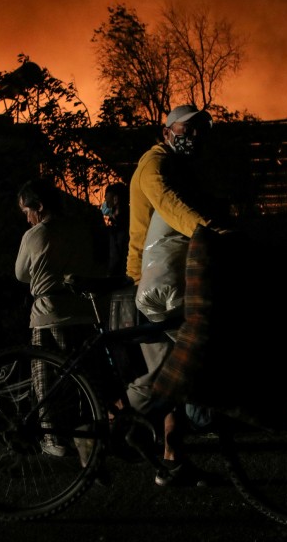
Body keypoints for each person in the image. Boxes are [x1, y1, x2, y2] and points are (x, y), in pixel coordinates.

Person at [126, 104, 221, 486]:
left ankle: (173, 461)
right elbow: (169, 205)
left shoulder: (179, 165)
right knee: (171, 372)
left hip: (163, 279)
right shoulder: (154, 164)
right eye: (188, 129)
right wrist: (209, 229)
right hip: (152, 283)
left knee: (170, 377)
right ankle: (109, 422)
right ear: (167, 131)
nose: (195, 136)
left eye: (201, 130)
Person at [14, 177, 100, 457]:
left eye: (27, 212)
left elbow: (21, 274)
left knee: (44, 379)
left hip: (49, 313)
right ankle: (83, 434)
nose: (28, 219)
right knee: (80, 380)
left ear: (38, 206)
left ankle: (54, 439)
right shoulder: (79, 229)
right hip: (84, 312)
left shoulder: (35, 235)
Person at [101, 182, 130, 277]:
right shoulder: (118, 223)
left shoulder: (121, 227)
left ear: (115, 199)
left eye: (107, 201)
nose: (105, 203)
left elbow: (115, 258)